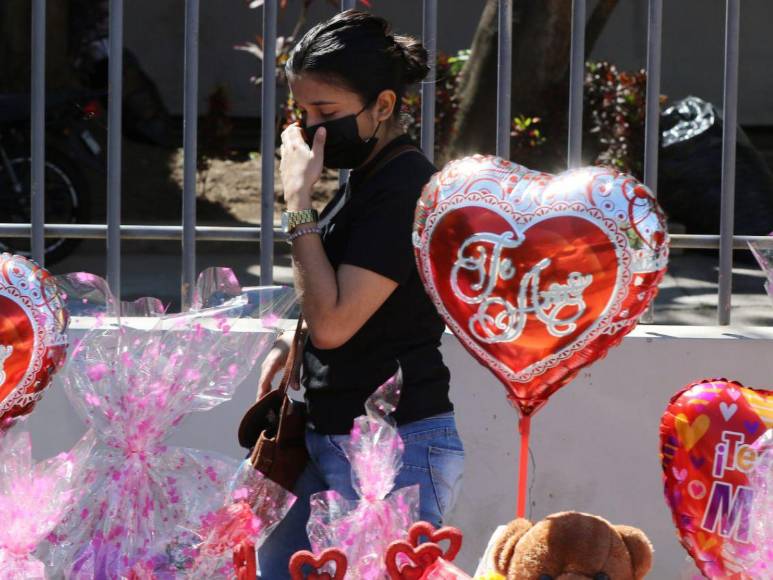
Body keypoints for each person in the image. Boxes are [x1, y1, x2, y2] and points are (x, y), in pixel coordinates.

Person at [256, 10, 464, 578]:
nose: (311, 129)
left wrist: (297, 203)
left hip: (393, 450)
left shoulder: (404, 188)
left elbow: (335, 323)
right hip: (333, 435)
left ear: (384, 105)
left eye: (327, 113)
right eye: (303, 112)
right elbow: (350, 298)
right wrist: (291, 342)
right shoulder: (368, 178)